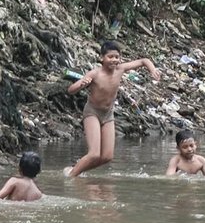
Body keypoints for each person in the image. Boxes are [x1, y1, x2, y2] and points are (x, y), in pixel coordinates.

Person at [64, 40, 160, 178]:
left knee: (107, 157)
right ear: (101, 58)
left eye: (117, 57)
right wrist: (81, 85)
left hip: (108, 115)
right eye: (110, 57)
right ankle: (71, 177)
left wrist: (153, 70)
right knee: (94, 154)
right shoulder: (94, 74)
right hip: (92, 113)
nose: (114, 60)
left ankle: (77, 170)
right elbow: (70, 90)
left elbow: (144, 60)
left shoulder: (120, 69)